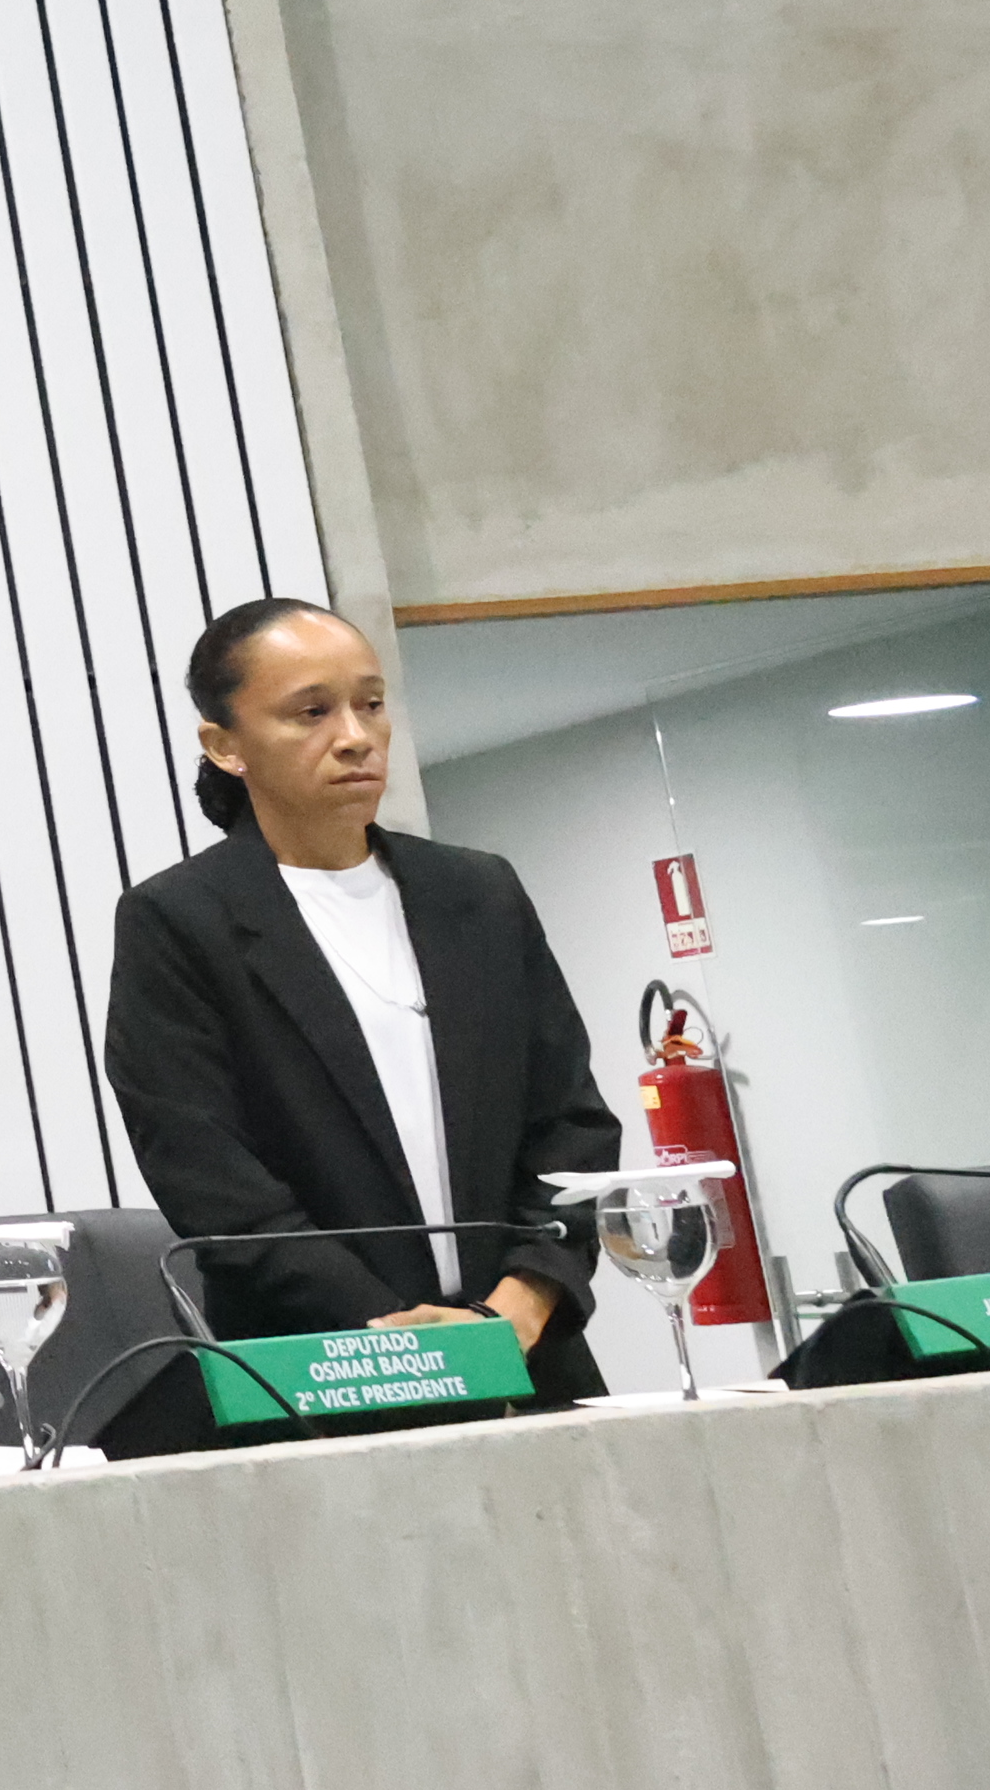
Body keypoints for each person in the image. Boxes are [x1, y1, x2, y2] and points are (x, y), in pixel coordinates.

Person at [103, 596, 615, 1398]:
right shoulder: (178, 921)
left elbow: (571, 1125)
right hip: (320, 1369)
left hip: (524, 1349)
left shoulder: (477, 892)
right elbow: (208, 1174)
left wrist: (518, 1303)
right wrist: (392, 1331)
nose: (354, 736)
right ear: (224, 745)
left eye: (370, 705)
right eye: (310, 712)